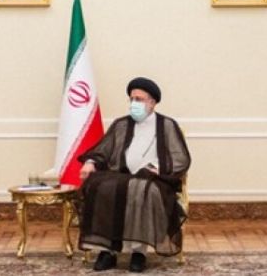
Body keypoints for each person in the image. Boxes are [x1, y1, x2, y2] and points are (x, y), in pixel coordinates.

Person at [78, 77, 190, 273]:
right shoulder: (121, 124)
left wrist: (158, 167)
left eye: (139, 99)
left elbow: (180, 157)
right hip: (120, 174)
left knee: (140, 189)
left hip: (152, 178)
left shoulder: (166, 125)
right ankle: (107, 251)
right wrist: (90, 162)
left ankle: (139, 253)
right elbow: (103, 150)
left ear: (152, 102)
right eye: (132, 99)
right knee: (100, 187)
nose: (134, 103)